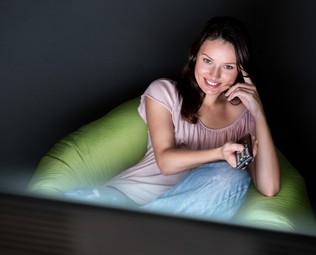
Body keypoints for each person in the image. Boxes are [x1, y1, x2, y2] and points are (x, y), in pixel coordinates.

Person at [64, 16, 280, 221]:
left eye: (228, 67)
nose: (214, 76)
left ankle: (136, 235)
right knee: (68, 209)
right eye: (207, 61)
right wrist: (219, 153)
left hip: (179, 214)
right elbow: (166, 162)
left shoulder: (245, 117)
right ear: (195, 57)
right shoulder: (165, 92)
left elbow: (269, 187)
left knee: (233, 177)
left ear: (240, 73)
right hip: (126, 200)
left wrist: (258, 112)